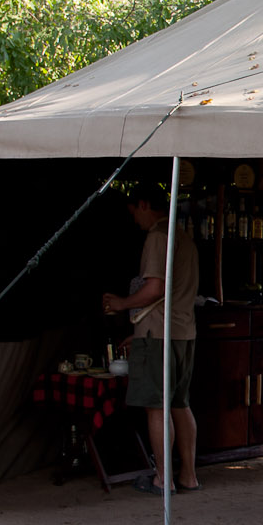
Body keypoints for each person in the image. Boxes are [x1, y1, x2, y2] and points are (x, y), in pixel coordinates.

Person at [102, 183, 200, 494]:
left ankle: (163, 479)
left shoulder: (158, 236)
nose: (135, 221)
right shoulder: (185, 238)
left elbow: (155, 288)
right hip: (184, 331)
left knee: (157, 407)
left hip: (159, 333)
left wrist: (121, 303)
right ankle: (188, 475)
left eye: (134, 213)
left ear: (144, 204)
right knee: (179, 404)